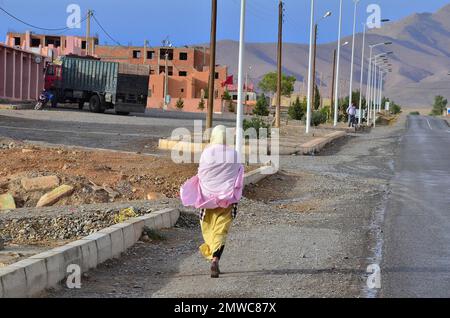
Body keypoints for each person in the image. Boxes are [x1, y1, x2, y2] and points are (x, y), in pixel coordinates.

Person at [180, 125, 244, 278]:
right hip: (227, 200)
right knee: (221, 230)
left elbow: (202, 173)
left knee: (208, 228)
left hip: (206, 200)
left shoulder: (207, 153)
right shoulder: (234, 154)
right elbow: (238, 175)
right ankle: (215, 258)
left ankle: (212, 255)